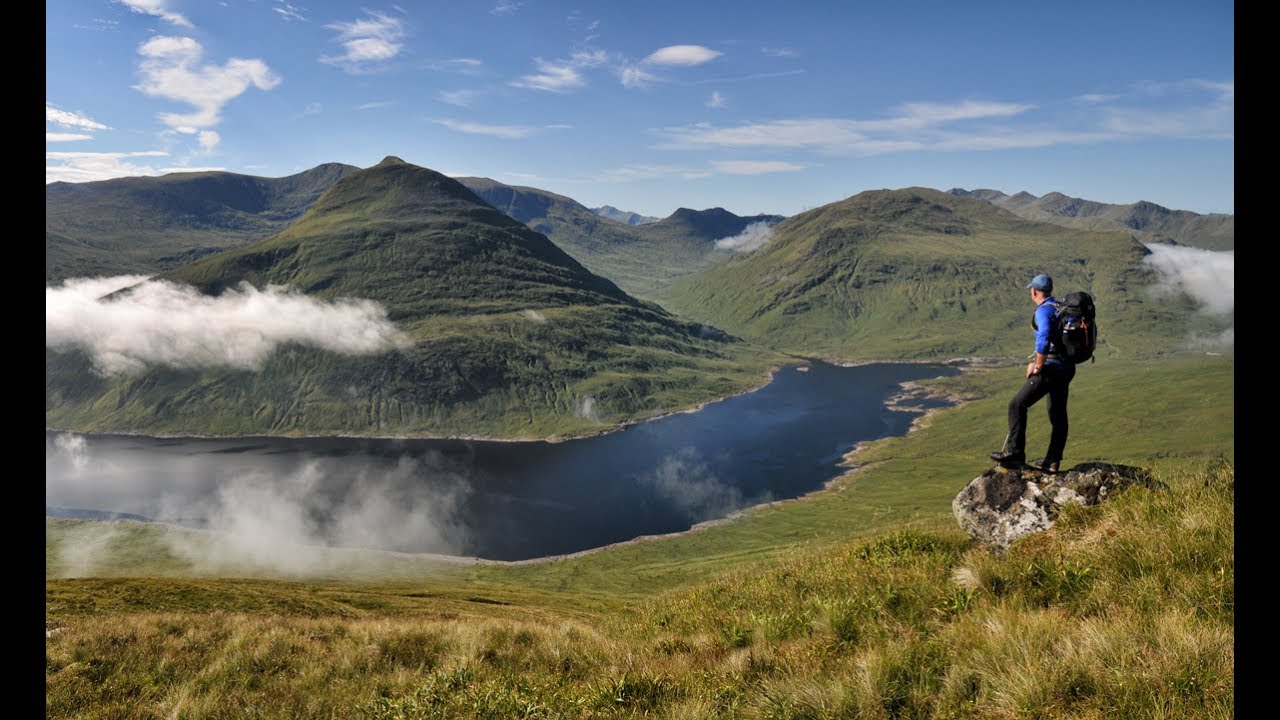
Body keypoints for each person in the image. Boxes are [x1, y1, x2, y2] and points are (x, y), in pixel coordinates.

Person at [989, 273, 1076, 473]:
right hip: (1067, 368)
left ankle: (1014, 454)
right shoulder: (1061, 308)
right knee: (1057, 414)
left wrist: (1037, 365)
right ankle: (1052, 461)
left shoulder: (1043, 311)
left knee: (1017, 404)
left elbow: (1044, 336)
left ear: (1034, 291)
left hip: (1051, 368)